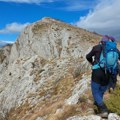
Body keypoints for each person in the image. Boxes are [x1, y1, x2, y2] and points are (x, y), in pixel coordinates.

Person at [86, 35, 120, 118]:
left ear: (101, 41)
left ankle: (104, 109)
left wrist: (92, 62)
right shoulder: (115, 50)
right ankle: (98, 105)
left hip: (97, 73)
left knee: (95, 91)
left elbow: (88, 56)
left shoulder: (97, 47)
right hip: (108, 74)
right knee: (101, 90)